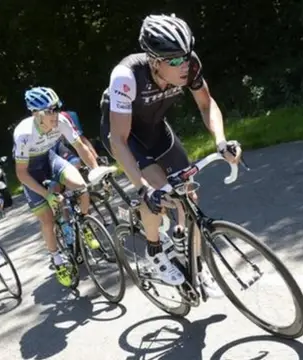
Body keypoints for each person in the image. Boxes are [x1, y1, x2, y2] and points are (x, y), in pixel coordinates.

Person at [99, 14, 242, 296]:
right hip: (125, 138)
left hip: (156, 131)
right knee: (158, 193)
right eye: (175, 60)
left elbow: (206, 104)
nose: (185, 65)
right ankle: (154, 251)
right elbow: (118, 139)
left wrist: (222, 141)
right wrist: (143, 189)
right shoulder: (126, 77)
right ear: (154, 61)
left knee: (188, 197)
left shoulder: (191, 65)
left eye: (186, 56)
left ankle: (196, 269)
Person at [13, 86, 100, 286]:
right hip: (30, 172)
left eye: (56, 108)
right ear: (35, 114)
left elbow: (80, 147)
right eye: (49, 111)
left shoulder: (62, 121)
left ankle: (85, 225)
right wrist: (47, 194)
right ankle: (57, 260)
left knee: (81, 186)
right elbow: (21, 173)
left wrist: (95, 169)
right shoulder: (23, 134)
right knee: (47, 219)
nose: (55, 114)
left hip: (49, 159)